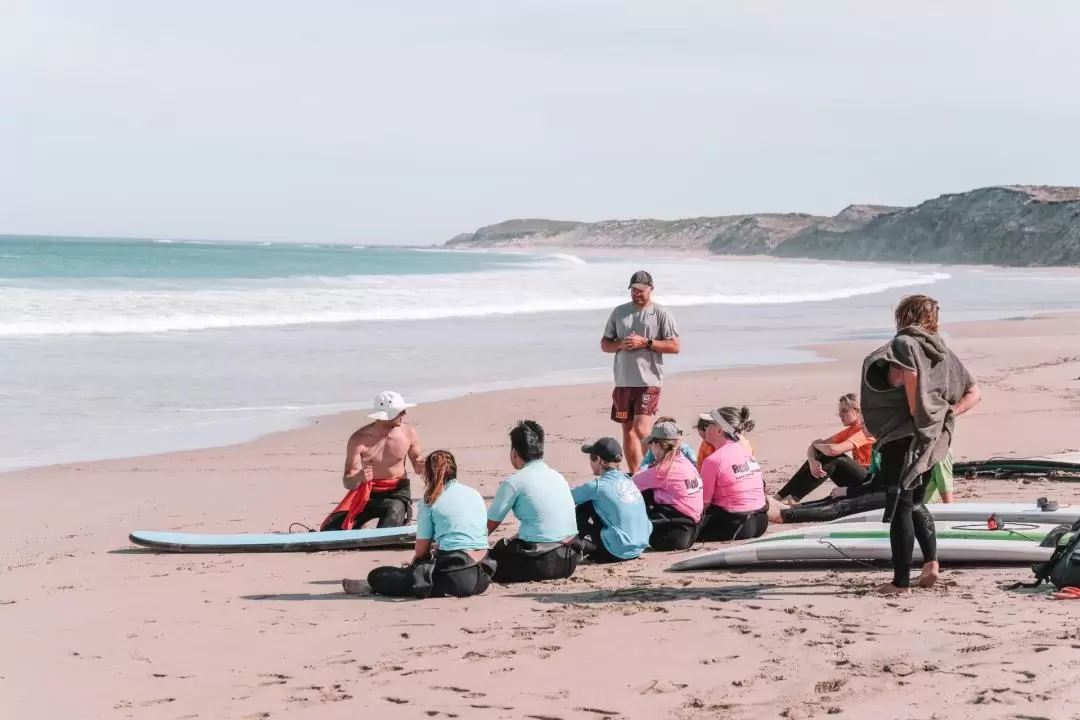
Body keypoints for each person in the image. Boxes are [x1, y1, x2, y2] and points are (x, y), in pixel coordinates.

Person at [860, 294, 981, 595]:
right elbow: (975, 392)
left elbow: (910, 373)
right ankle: (931, 565)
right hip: (931, 440)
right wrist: (945, 414)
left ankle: (900, 583)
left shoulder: (904, 343)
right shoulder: (942, 351)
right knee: (915, 502)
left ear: (904, 316)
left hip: (903, 439)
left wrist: (919, 410)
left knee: (901, 506)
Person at [357, 451, 494, 598]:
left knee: (377, 575)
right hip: (483, 575)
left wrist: (417, 561)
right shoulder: (474, 493)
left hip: (456, 577)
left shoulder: (430, 500)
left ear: (427, 474)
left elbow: (421, 551)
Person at [600, 270, 681, 474]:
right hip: (623, 381)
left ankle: (657, 470)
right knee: (627, 430)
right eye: (634, 290)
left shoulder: (661, 313)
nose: (637, 294)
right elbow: (605, 345)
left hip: (649, 380)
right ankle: (637, 475)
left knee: (642, 429)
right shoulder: (619, 312)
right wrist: (621, 344)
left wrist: (646, 342)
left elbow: (675, 346)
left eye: (641, 290)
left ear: (651, 289)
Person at [486, 420, 582, 583]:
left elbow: (486, 528)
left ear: (514, 452)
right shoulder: (558, 477)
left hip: (541, 563)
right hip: (570, 559)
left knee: (492, 557)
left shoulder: (514, 482)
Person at [322, 391, 424, 530]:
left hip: (396, 493)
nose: (404, 413)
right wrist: (359, 477)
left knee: (392, 518)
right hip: (367, 492)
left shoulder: (408, 433)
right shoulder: (359, 439)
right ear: (386, 415)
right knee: (331, 528)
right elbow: (347, 482)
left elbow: (419, 468)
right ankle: (362, 524)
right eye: (400, 411)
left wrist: (422, 465)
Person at [774, 394, 875, 504]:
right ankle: (779, 497)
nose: (841, 415)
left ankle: (792, 498)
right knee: (824, 453)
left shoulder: (866, 431)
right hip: (858, 477)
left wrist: (817, 445)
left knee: (835, 456)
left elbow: (833, 451)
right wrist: (812, 460)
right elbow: (814, 447)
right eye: (840, 412)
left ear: (858, 411)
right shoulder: (850, 431)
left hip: (871, 480)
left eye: (845, 411)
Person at [573, 437, 651, 562]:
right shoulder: (629, 480)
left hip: (616, 552)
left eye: (592, 457)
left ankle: (576, 545)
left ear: (600, 460)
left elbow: (566, 499)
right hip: (640, 547)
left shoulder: (597, 486)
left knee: (585, 505)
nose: (590, 462)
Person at [697, 408, 768, 542]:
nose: (705, 428)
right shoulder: (745, 451)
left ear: (719, 430)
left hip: (736, 525)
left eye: (709, 425)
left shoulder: (713, 460)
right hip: (761, 521)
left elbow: (704, 504)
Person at [631, 420, 704, 551]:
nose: (650, 447)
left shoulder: (662, 471)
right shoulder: (686, 463)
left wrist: (646, 468)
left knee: (635, 493)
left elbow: (632, 483)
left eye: (651, 443)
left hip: (670, 537)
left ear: (658, 444)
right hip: (692, 530)